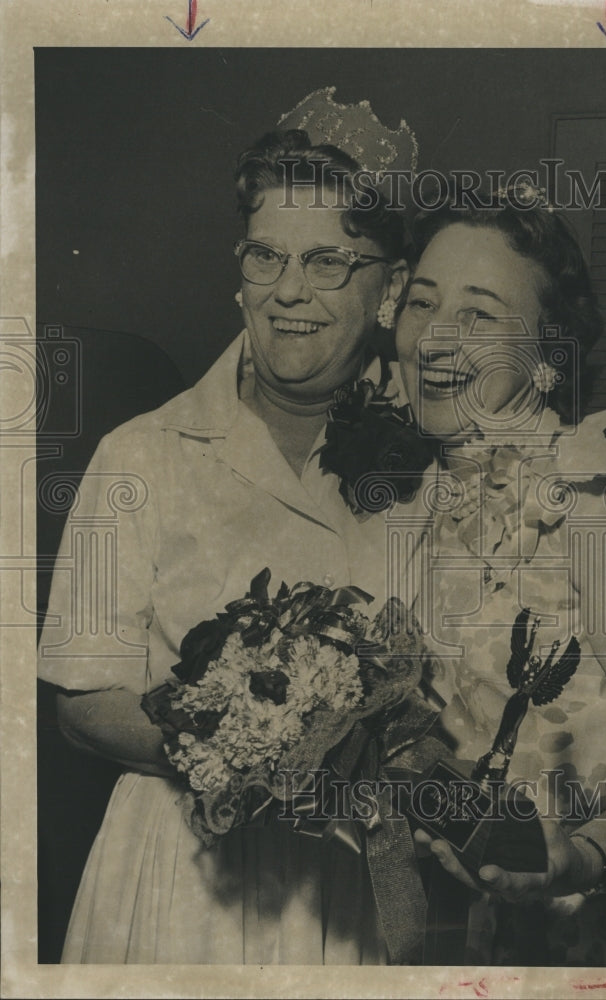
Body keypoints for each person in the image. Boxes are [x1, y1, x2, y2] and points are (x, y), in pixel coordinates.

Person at [37, 104, 419, 964]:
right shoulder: (139, 453)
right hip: (182, 878)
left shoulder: (439, 460)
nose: (290, 291)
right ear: (238, 273)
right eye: (266, 256)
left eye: (328, 261)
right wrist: (241, 749)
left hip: (359, 882)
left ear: (389, 290)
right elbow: (82, 704)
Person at [393, 196, 606, 966]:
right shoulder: (421, 495)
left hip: (604, 942)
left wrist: (583, 858)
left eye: (479, 315)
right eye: (422, 301)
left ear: (545, 352)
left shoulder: (593, 506)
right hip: (474, 935)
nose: (437, 337)